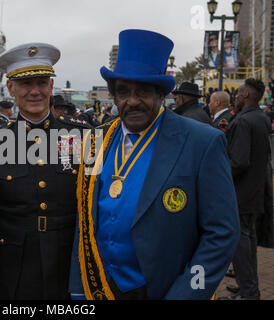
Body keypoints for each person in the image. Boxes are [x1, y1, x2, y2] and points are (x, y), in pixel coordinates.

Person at [69, 29, 240, 300]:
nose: (133, 101)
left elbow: (222, 234)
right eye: (123, 91)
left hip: (165, 291)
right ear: (113, 96)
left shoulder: (202, 142)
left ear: (161, 95)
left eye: (144, 91)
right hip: (100, 288)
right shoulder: (94, 141)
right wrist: (79, 289)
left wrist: (186, 294)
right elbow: (85, 222)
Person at [0, 42, 91, 300]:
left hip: (69, 263)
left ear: (52, 86)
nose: (35, 91)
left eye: (42, 83)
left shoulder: (79, 137)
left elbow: (93, 206)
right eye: (25, 84)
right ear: (10, 88)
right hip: (14, 266)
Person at [220, 79, 272, 300]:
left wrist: (219, 178)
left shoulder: (244, 121)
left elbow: (239, 162)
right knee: (248, 243)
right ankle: (248, 288)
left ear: (248, 95)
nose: (236, 96)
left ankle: (248, 292)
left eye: (240, 93)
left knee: (240, 245)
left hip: (240, 194)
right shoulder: (260, 118)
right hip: (255, 192)